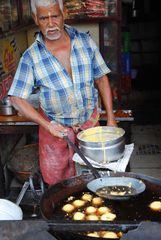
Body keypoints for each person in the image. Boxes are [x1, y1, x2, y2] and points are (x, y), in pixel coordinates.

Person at [8, 0, 117, 186]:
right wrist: (46, 125)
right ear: (36, 19)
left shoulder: (85, 42)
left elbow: (101, 78)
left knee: (95, 179)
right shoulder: (31, 56)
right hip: (54, 131)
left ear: (63, 14)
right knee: (59, 186)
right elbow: (16, 98)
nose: (50, 24)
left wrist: (111, 118)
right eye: (44, 18)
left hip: (89, 126)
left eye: (55, 16)